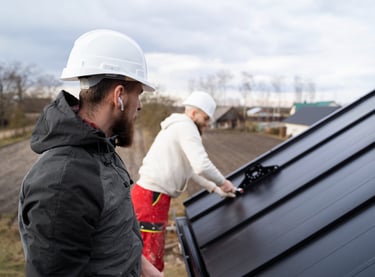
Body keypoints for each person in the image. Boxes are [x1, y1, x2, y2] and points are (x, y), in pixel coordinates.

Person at [18, 29, 162, 276]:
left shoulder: (101, 151)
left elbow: (110, 234)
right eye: (138, 94)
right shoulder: (63, 182)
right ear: (119, 96)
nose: (139, 105)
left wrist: (144, 268)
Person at [131, 90, 237, 271]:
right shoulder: (187, 127)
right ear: (193, 113)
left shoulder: (178, 127)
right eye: (205, 119)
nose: (207, 124)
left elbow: (190, 170)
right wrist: (224, 183)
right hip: (152, 199)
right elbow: (201, 165)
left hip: (150, 196)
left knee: (147, 258)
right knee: (150, 260)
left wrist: (215, 189)